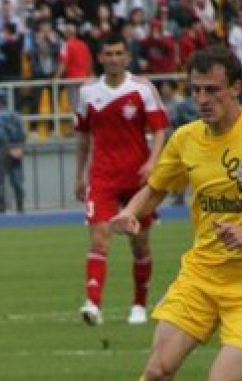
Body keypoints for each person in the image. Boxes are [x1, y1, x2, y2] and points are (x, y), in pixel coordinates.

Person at [101, 47, 242, 381]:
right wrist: (132, 213)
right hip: (200, 276)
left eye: (212, 89)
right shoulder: (186, 139)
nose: (201, 98)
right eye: (195, 89)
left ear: (237, 87)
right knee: (157, 372)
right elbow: (155, 187)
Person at [74, 34, 170, 326]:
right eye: (109, 53)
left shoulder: (142, 89)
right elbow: (82, 137)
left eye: (119, 53)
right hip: (102, 176)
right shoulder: (88, 92)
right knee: (100, 239)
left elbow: (160, 130)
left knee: (139, 244)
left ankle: (139, 305)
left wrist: (153, 162)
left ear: (127, 57)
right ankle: (93, 304)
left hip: (136, 178)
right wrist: (79, 175)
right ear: (100, 58)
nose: (114, 58)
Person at [0, 89, 26, 214]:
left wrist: (8, 148)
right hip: (16, 147)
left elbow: (0, 134)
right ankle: (20, 205)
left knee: (0, 179)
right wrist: (18, 147)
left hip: (2, 149)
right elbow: (22, 133)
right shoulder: (16, 115)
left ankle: (1, 206)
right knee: (17, 177)